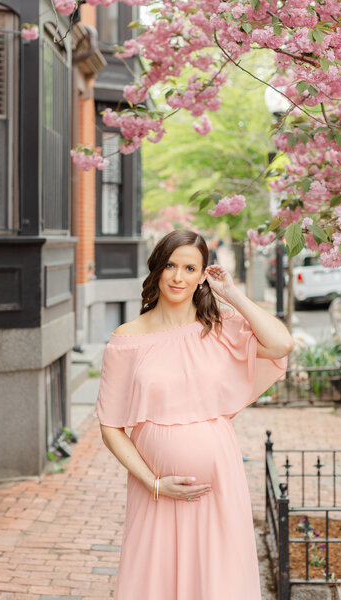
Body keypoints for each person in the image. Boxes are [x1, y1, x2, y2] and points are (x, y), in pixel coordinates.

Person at [94, 229, 294, 600]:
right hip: (155, 491)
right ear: (157, 268)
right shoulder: (127, 339)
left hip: (218, 485)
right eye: (170, 265)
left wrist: (232, 294)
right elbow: (110, 426)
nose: (178, 277)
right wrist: (154, 483)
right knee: (155, 581)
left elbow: (281, 343)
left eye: (190, 268)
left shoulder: (220, 328)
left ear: (203, 275)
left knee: (218, 582)